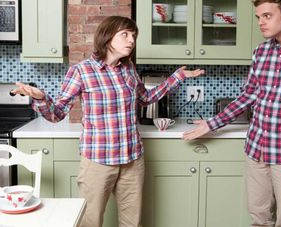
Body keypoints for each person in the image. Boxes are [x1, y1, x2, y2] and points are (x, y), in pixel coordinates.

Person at [12, 16, 204, 227]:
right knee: (90, 222)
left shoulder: (128, 68)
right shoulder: (81, 71)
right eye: (125, 35)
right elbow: (56, 114)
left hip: (132, 159)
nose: (131, 40)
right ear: (107, 37)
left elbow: (144, 99)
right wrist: (40, 98)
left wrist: (176, 77)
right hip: (97, 161)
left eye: (133, 36)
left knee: (133, 224)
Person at [183, 0, 281, 227]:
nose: (261, 23)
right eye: (258, 17)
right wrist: (212, 123)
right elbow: (248, 95)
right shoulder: (261, 51)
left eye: (267, 16)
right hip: (257, 148)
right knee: (258, 218)